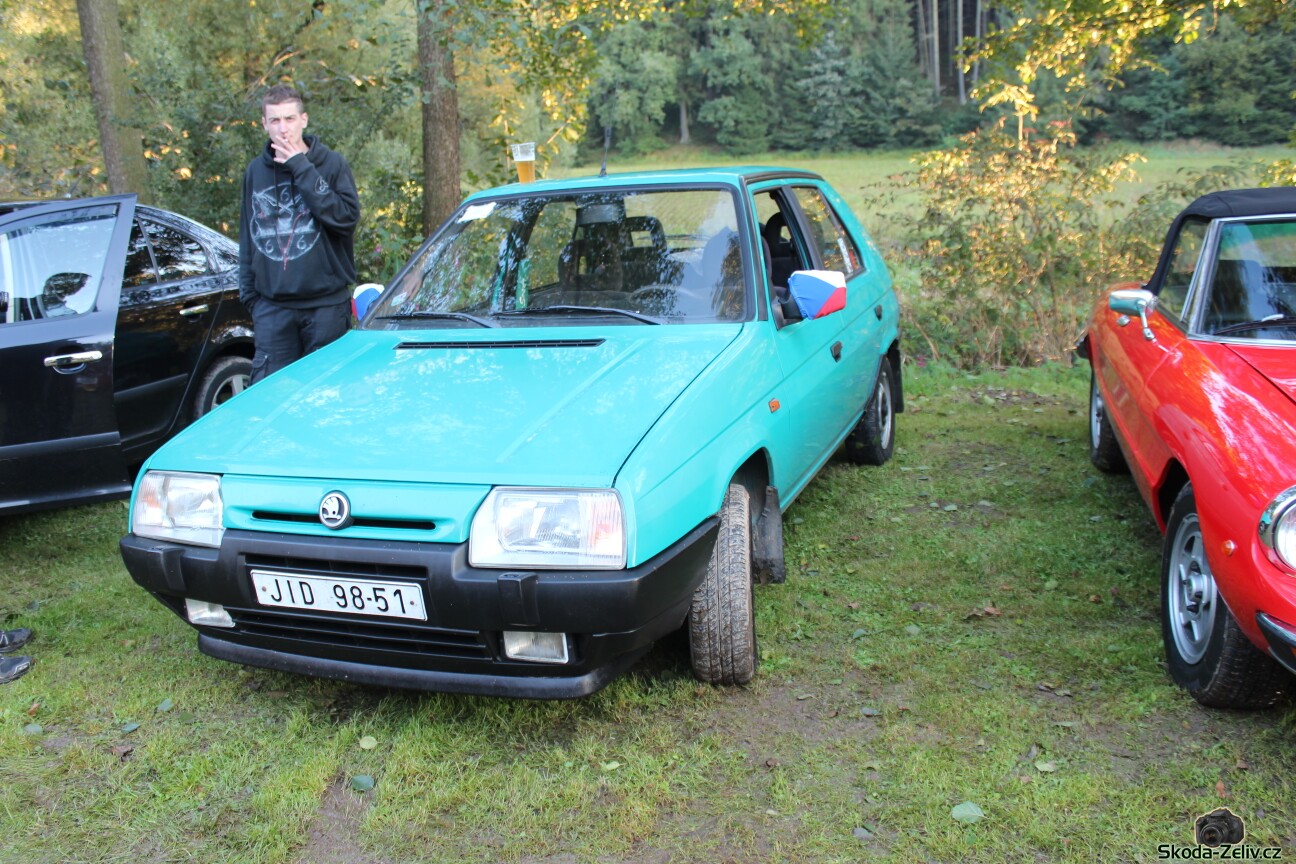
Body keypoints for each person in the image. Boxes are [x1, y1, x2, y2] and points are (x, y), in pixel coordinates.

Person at [239, 84, 360, 384]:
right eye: (275, 120)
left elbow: (345, 219)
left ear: (303, 120)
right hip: (273, 311)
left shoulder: (331, 164)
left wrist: (300, 167)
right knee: (272, 398)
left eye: (290, 119)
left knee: (327, 395)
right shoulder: (256, 172)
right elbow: (248, 236)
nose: (283, 129)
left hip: (325, 309)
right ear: (264, 124)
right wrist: (251, 298)